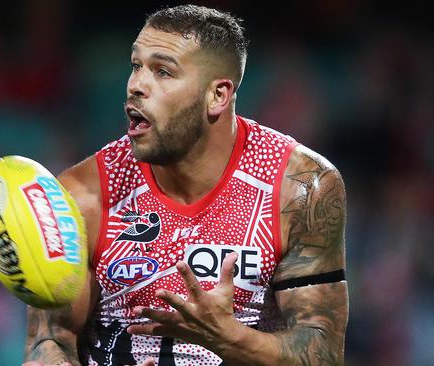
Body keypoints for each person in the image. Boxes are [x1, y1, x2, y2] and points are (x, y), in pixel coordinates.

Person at [23, 4, 348, 366]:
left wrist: (230, 339)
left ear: (217, 96)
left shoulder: (298, 188)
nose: (135, 86)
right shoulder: (82, 195)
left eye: (162, 71)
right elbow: (49, 341)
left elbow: (323, 353)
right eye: (136, 66)